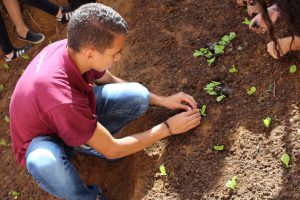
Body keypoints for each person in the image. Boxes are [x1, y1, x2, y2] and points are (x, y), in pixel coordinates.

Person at [10, 3, 201, 200]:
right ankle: (89, 196)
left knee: (138, 95)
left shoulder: (73, 49)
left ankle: (85, 142)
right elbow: (112, 149)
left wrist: (162, 101)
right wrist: (167, 128)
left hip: (66, 117)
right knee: (45, 163)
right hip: (44, 140)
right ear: (90, 53)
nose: (119, 57)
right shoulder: (64, 99)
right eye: (114, 52)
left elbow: (109, 80)